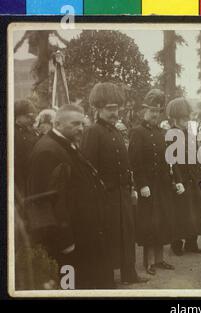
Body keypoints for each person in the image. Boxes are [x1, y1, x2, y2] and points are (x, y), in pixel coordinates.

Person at [26, 104, 113, 289]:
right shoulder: (48, 151)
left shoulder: (64, 145)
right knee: (72, 287)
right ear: (57, 123)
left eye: (82, 124)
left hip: (83, 235)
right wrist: (64, 241)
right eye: (75, 124)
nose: (80, 128)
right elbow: (43, 202)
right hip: (69, 242)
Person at [80, 82, 144, 285]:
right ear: (97, 108)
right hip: (105, 198)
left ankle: (129, 274)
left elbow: (125, 165)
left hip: (123, 196)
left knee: (127, 234)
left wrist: (131, 188)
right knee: (108, 237)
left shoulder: (117, 132)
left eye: (117, 108)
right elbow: (88, 170)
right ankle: (106, 277)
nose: (115, 112)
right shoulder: (92, 132)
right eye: (110, 109)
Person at [128, 89, 175, 276]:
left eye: (157, 111)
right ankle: (148, 263)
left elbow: (166, 161)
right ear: (144, 111)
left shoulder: (161, 132)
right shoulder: (137, 132)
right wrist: (142, 184)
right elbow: (134, 161)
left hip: (161, 186)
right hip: (147, 186)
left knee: (161, 222)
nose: (155, 114)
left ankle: (160, 259)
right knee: (148, 224)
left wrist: (171, 181)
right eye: (151, 111)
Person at [167, 98, 201, 255]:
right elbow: (171, 161)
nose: (187, 121)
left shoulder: (191, 134)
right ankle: (176, 244)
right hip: (180, 179)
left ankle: (192, 243)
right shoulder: (170, 134)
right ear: (176, 118)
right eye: (184, 118)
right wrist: (177, 180)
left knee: (195, 211)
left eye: (187, 118)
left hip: (193, 178)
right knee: (179, 213)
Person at [14, 99, 39, 198]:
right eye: (27, 116)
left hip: (30, 174)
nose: (31, 119)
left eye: (32, 116)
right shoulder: (12, 132)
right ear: (17, 116)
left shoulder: (30, 130)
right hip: (18, 176)